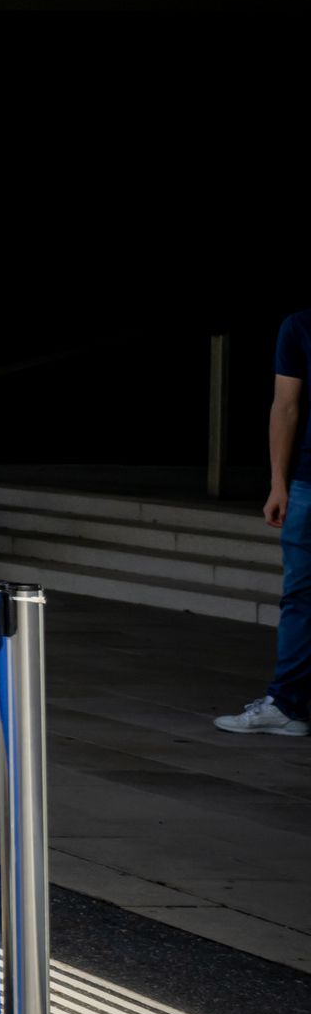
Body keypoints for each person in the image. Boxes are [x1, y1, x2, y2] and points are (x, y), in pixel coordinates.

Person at [212, 307, 309, 739]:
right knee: (300, 598)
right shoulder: (301, 326)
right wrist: (278, 483)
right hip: (308, 481)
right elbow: (285, 406)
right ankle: (286, 705)